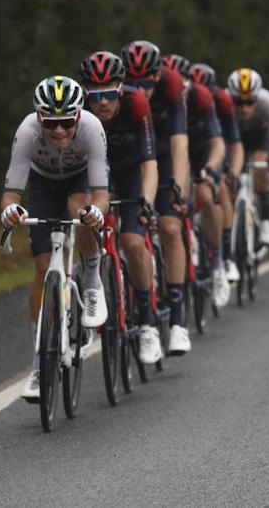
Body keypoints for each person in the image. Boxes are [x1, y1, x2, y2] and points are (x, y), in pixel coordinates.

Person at [0, 76, 109, 400]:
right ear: (38, 118)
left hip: (79, 181)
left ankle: (91, 279)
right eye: (51, 123)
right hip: (44, 184)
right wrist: (10, 213)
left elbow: (101, 193)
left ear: (77, 116)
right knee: (43, 269)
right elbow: (11, 194)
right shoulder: (26, 133)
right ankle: (38, 366)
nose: (59, 131)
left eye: (65, 122)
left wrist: (97, 214)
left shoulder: (91, 129)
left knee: (81, 210)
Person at [79, 51, 163, 365]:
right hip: (92, 175)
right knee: (83, 222)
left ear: (121, 89)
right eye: (95, 95)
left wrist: (147, 203)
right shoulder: (77, 112)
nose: (102, 103)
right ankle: (89, 292)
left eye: (109, 95)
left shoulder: (137, 104)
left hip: (130, 174)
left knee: (131, 241)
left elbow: (149, 163)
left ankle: (147, 323)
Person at [120, 40, 193, 356]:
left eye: (146, 85)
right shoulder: (118, 96)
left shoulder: (172, 84)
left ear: (158, 77)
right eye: (132, 84)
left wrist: (177, 185)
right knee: (126, 233)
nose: (140, 90)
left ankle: (177, 323)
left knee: (171, 226)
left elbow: (180, 144)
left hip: (164, 156)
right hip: (129, 160)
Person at [190, 63, 245, 306]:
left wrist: (231, 172)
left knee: (220, 187)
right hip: (183, 152)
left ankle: (222, 256)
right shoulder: (182, 100)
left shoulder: (221, 103)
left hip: (209, 152)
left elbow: (233, 144)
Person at [229, 68, 269, 251]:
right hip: (235, 136)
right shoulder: (224, 103)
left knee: (261, 165)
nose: (244, 108)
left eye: (249, 102)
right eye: (239, 102)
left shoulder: (267, 102)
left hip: (259, 135)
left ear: (257, 97)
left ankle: (267, 221)